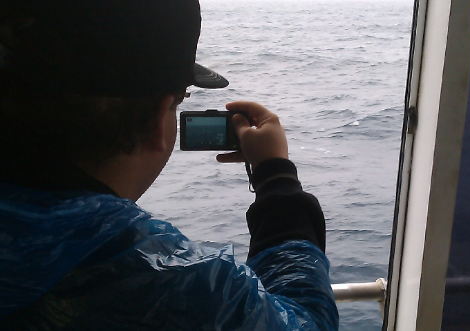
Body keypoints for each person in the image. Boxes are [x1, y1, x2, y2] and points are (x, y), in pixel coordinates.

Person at [0, 0, 339, 330]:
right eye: (180, 101)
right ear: (156, 121)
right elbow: (306, 324)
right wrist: (276, 178)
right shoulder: (178, 288)